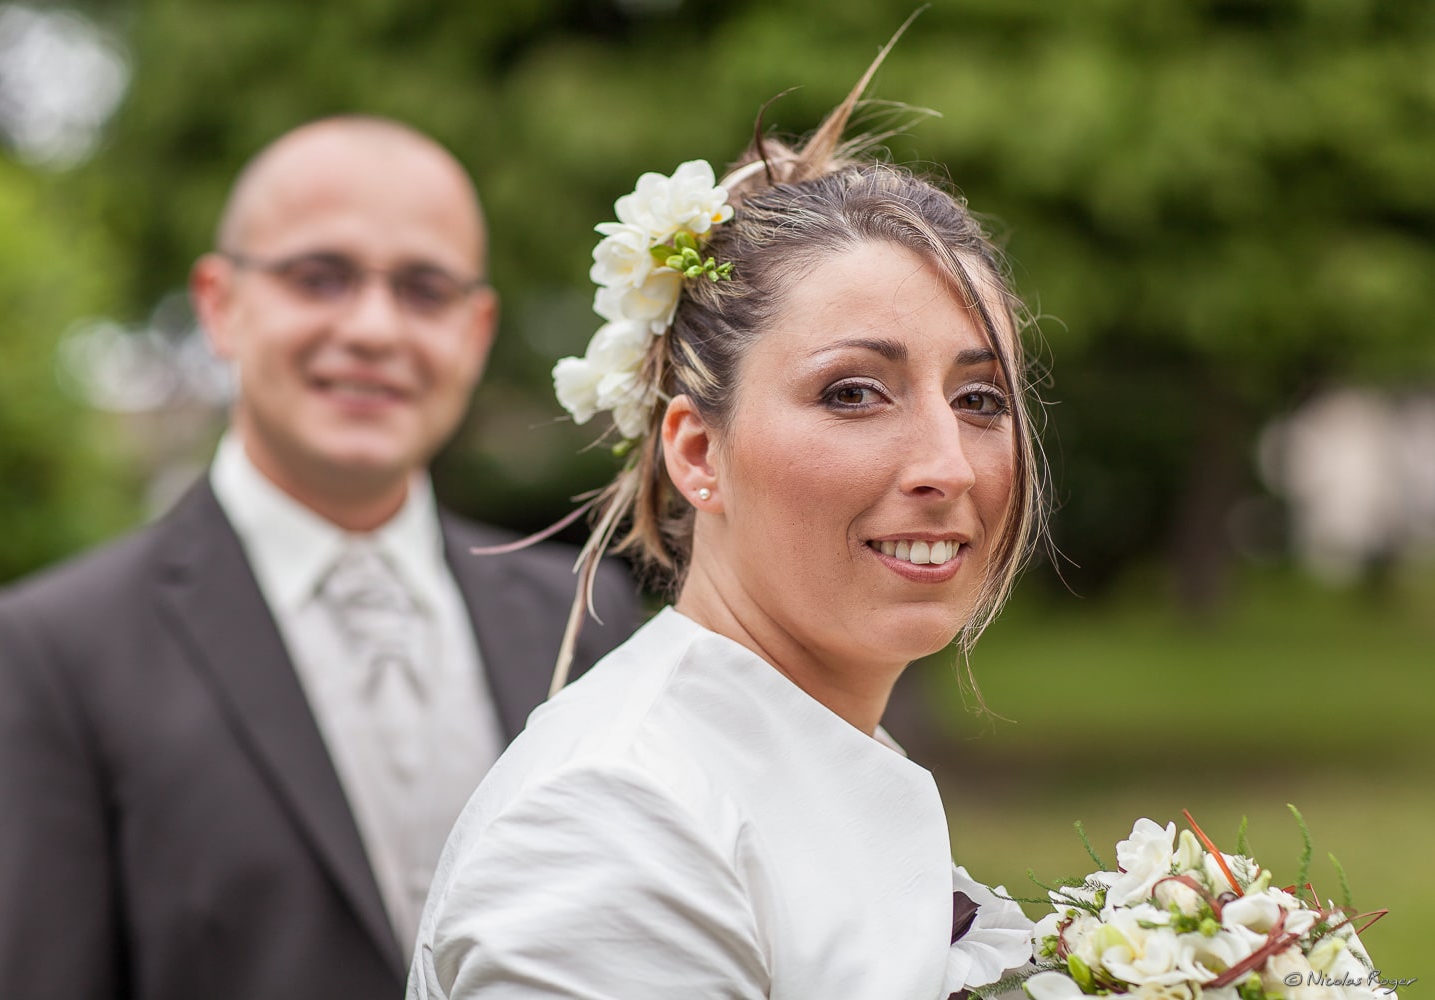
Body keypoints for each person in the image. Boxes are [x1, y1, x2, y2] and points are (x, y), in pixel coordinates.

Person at [0, 116, 640, 1000]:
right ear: (219, 305)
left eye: (425, 291)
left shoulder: (584, 619)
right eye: (321, 278)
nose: (375, 329)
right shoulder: (57, 652)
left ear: (475, 328)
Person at [406, 45, 1046, 1000]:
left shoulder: (808, 757)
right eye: (855, 392)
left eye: (981, 401)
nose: (948, 466)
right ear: (698, 452)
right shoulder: (614, 822)